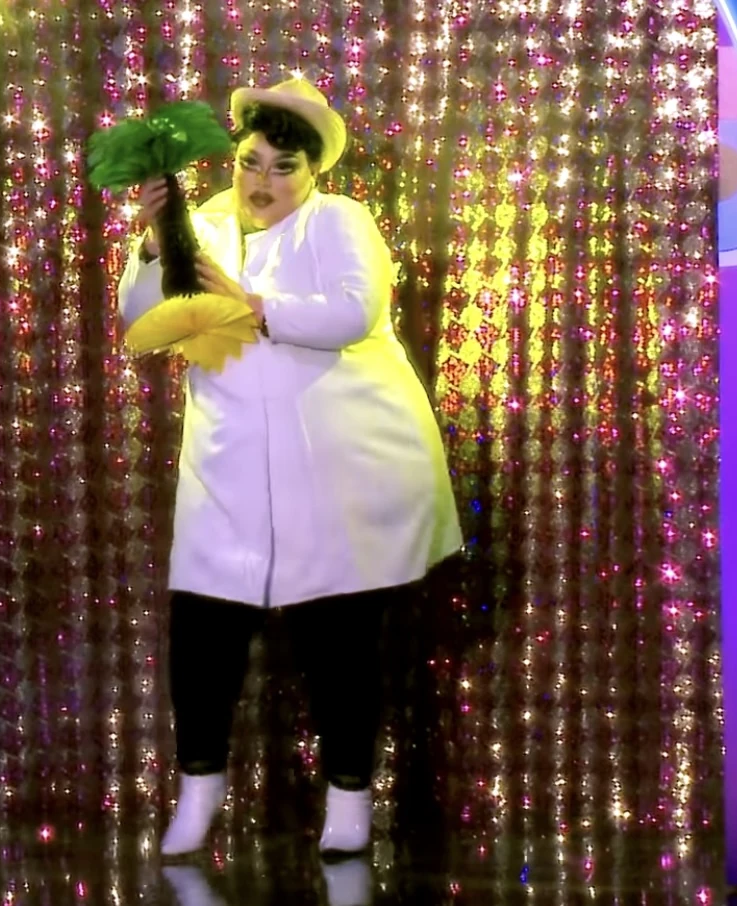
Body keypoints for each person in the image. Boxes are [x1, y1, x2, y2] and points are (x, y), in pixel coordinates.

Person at [117, 78, 462, 857]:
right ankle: (198, 792)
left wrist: (255, 305)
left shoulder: (338, 220)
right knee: (203, 631)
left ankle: (349, 796)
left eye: (283, 167)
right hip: (227, 464)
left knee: (338, 638)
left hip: (335, 467)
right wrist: (152, 247)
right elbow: (141, 319)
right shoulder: (202, 223)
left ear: (312, 174)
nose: (262, 182)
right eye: (251, 162)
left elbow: (354, 311)